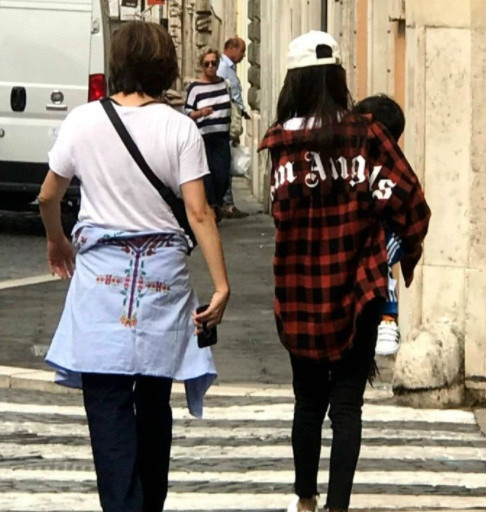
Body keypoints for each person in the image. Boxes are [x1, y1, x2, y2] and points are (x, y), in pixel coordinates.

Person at [38, 21, 230, 512]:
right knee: (153, 397)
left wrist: (58, 240)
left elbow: (48, 195)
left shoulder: (82, 121)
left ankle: (122, 504)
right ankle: (149, 503)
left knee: (107, 402)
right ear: (166, 67)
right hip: (162, 282)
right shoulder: (180, 128)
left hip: (101, 283)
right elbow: (200, 213)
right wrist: (221, 285)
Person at [258, 31, 430, 512]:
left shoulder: (280, 143)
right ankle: (337, 506)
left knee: (308, 401)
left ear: (292, 83)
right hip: (359, 287)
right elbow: (413, 202)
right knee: (347, 404)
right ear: (337, 79)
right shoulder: (368, 136)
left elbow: (280, 213)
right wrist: (401, 250)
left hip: (298, 289)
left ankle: (305, 500)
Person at [354, 94, 406, 356]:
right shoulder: (352, 164)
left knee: (380, 259)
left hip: (387, 237)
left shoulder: (394, 170)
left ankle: (388, 317)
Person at [185, 49, 232, 221]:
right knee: (208, 174)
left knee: (223, 174)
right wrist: (201, 113)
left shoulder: (224, 84)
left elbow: (231, 107)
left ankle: (216, 204)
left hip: (222, 136)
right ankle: (212, 207)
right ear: (202, 66)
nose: (211, 66)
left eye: (214, 63)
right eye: (207, 64)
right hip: (204, 137)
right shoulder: (195, 88)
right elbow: (187, 112)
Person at [217, 36, 250, 219]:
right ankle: (226, 203)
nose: (244, 55)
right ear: (231, 48)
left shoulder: (230, 67)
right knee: (226, 161)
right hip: (227, 119)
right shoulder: (223, 68)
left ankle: (226, 202)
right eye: (242, 51)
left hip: (232, 117)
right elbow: (227, 96)